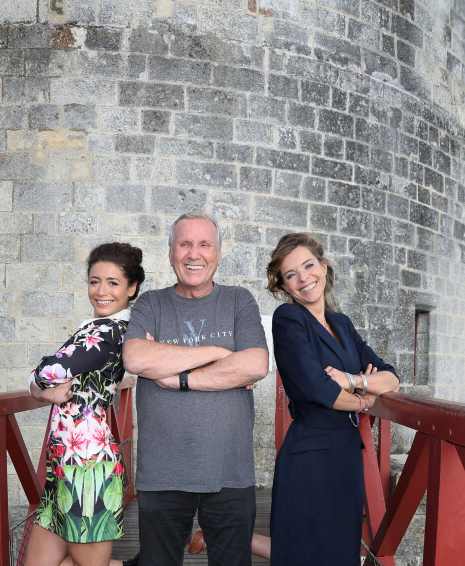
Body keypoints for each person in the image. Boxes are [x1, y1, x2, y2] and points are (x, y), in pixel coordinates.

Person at [121, 211, 269, 566]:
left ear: (217, 253)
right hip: (162, 474)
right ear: (171, 251)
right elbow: (135, 357)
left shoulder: (238, 300)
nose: (194, 254)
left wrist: (180, 377)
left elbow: (255, 365)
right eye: (184, 244)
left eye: (204, 244)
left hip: (229, 472)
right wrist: (220, 355)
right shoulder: (150, 303)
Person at [266, 233, 399, 566]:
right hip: (310, 455)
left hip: (346, 454)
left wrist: (355, 380)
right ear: (284, 286)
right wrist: (362, 400)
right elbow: (316, 387)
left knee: (342, 550)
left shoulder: (342, 323)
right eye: (290, 274)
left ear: (324, 267)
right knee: (303, 552)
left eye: (309, 265)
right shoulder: (289, 319)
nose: (303, 278)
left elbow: (391, 377)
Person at [24, 242, 145, 566]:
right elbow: (48, 379)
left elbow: (48, 371)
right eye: (95, 281)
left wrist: (38, 388)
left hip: (88, 470)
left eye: (113, 282)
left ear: (132, 288)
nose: (101, 291)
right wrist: (42, 391)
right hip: (63, 467)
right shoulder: (93, 328)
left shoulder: (108, 332)